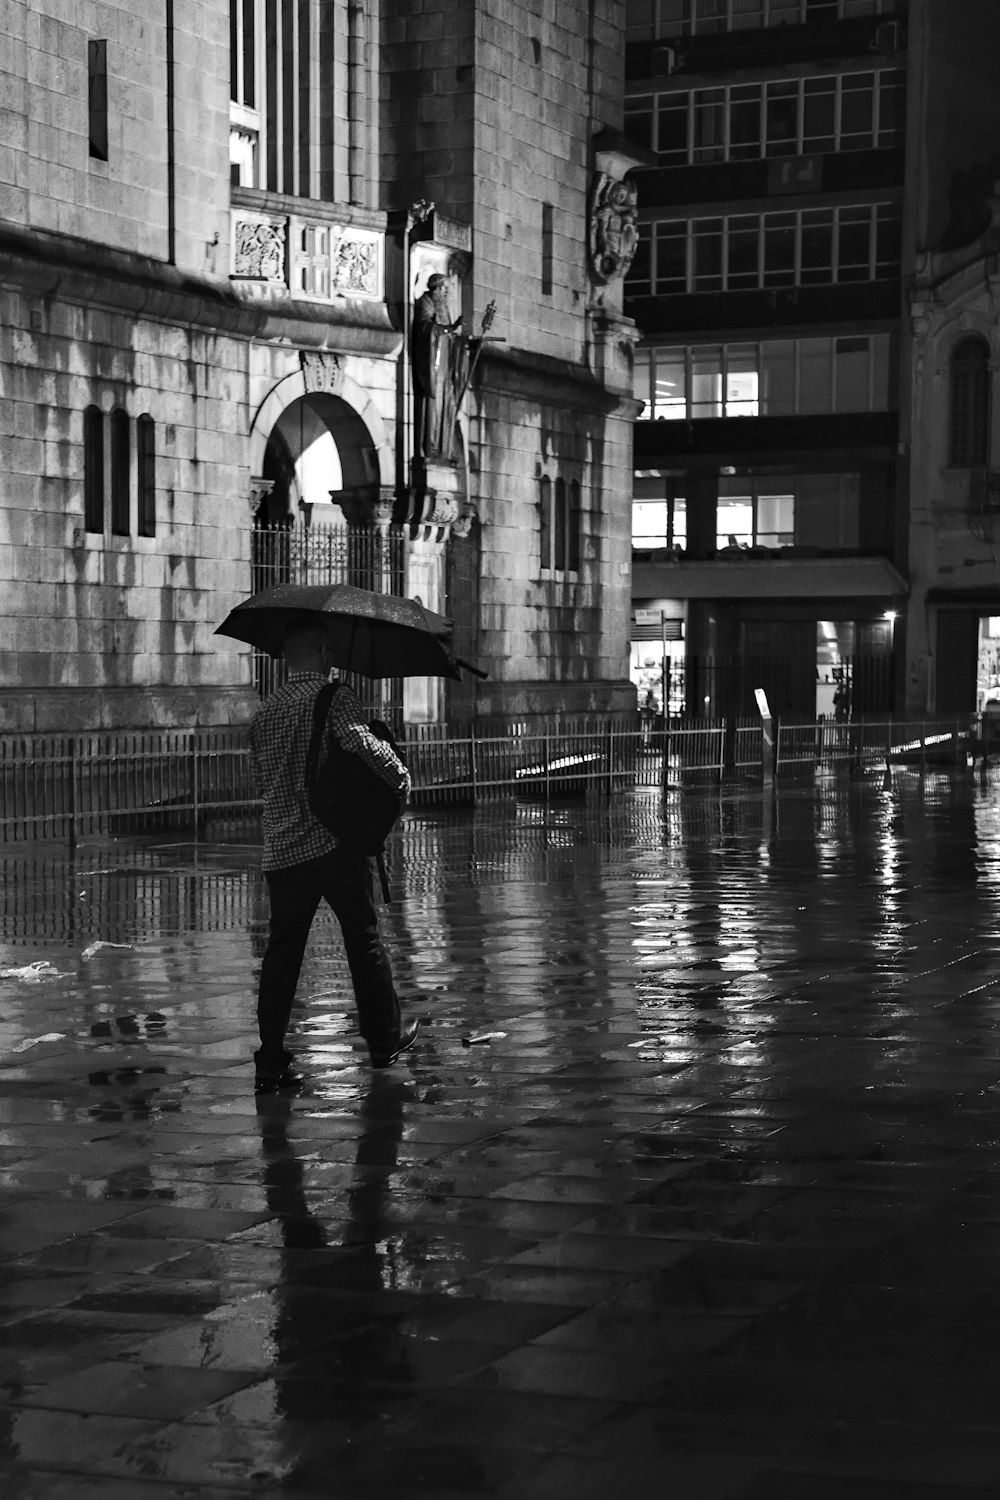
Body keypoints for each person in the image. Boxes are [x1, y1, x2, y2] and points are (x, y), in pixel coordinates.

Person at [249, 621, 416, 1093]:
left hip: (282, 852)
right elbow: (360, 745)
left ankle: (270, 1058)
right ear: (324, 652)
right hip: (332, 845)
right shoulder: (333, 696)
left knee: (281, 956)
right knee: (363, 941)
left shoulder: (264, 713)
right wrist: (401, 778)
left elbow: (261, 782)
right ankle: (384, 1040)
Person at [411, 272, 464, 460]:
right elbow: (425, 329)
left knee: (445, 404)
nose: (445, 294)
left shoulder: (443, 309)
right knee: (431, 405)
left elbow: (448, 336)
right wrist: (447, 329)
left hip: (444, 367)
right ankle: (429, 444)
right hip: (431, 366)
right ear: (436, 289)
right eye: (444, 290)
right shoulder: (425, 303)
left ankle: (441, 447)